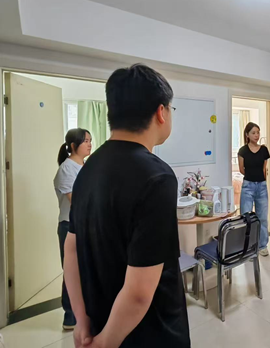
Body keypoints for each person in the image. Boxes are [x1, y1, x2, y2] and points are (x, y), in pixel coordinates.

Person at [64, 63, 189, 347]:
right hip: (148, 332)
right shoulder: (157, 177)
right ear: (161, 112)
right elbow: (140, 292)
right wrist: (106, 343)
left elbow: (71, 248)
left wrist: (81, 320)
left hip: (101, 318)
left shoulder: (87, 168)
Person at [54, 128, 91, 331]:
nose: (90, 144)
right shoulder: (67, 169)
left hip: (86, 225)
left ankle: (85, 312)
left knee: (86, 269)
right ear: (74, 146)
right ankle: (69, 316)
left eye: (90, 140)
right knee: (72, 271)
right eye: (85, 141)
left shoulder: (85, 166)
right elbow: (76, 202)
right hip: (69, 226)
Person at [238, 122, 270, 256]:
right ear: (247, 135)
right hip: (248, 186)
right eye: (253, 133)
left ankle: (262, 246)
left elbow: (264, 169)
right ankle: (248, 247)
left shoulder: (264, 150)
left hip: (261, 186)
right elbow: (241, 169)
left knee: (262, 218)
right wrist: (251, 177)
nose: (256, 135)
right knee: (246, 218)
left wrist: (261, 181)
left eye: (258, 132)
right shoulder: (243, 150)